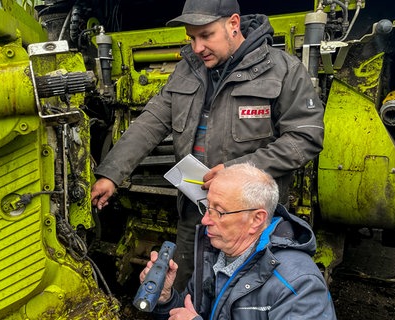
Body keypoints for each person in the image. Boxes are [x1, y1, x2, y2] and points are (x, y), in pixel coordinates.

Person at [91, 0, 324, 290]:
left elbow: (305, 137)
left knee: (248, 294)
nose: (197, 47)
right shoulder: (187, 70)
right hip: (197, 214)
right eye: (192, 38)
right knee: (188, 290)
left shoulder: (282, 71)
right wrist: (111, 173)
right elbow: (151, 122)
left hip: (251, 220)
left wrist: (237, 170)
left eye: (206, 35)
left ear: (233, 24)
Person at [139, 163, 337, 320]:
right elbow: (189, 312)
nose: (205, 220)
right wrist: (165, 298)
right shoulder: (216, 255)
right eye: (207, 208)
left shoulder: (299, 284)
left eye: (219, 212)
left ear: (256, 219)